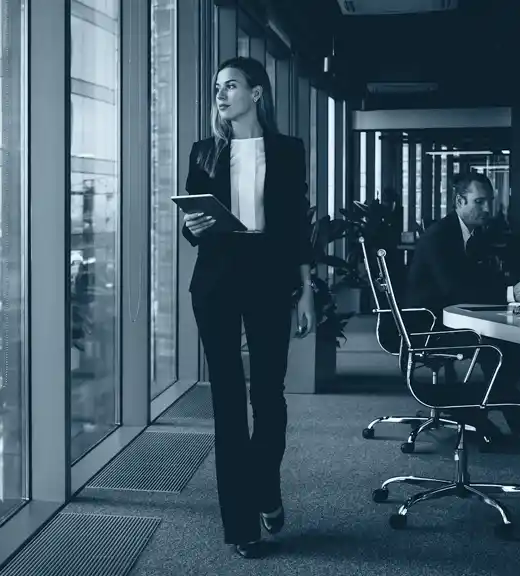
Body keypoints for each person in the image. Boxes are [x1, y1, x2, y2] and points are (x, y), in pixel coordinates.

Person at [181, 57, 314, 559]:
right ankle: (241, 526)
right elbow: (193, 222)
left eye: (231, 86)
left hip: (268, 279)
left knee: (269, 397)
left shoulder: (287, 151)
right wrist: (191, 227)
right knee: (228, 406)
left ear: (256, 93)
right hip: (216, 282)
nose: (220, 94)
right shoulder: (204, 152)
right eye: (217, 87)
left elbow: (298, 225)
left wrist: (304, 289)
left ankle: (266, 487)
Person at [406, 171, 520, 471]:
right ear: (459, 201)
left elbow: (481, 279)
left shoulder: (470, 233)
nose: (486, 209)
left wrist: (517, 286)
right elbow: (453, 288)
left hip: (455, 318)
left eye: (489, 202)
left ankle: (474, 409)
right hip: (429, 327)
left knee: (518, 348)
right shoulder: (441, 236)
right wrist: (510, 292)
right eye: (479, 202)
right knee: (501, 347)